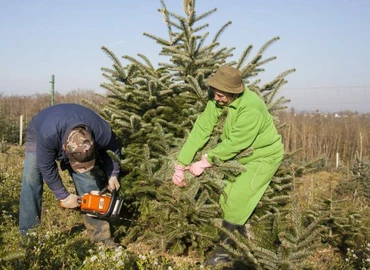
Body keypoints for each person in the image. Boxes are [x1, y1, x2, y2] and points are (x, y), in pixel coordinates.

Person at [171, 65, 284, 265]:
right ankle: (243, 246)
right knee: (225, 197)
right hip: (239, 157)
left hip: (262, 157)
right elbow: (202, 127)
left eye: (221, 95)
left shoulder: (251, 108)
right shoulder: (218, 98)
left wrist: (206, 161)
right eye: (215, 93)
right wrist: (181, 163)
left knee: (237, 200)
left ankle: (225, 253)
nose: (217, 98)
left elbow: (237, 143)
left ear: (234, 93)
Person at [19, 103, 121, 246]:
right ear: (65, 148)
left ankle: (101, 238)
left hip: (67, 126)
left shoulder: (101, 131)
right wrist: (64, 196)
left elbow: (113, 148)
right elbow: (46, 166)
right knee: (31, 179)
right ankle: (27, 235)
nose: (82, 168)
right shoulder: (48, 135)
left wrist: (113, 173)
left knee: (88, 182)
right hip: (39, 132)